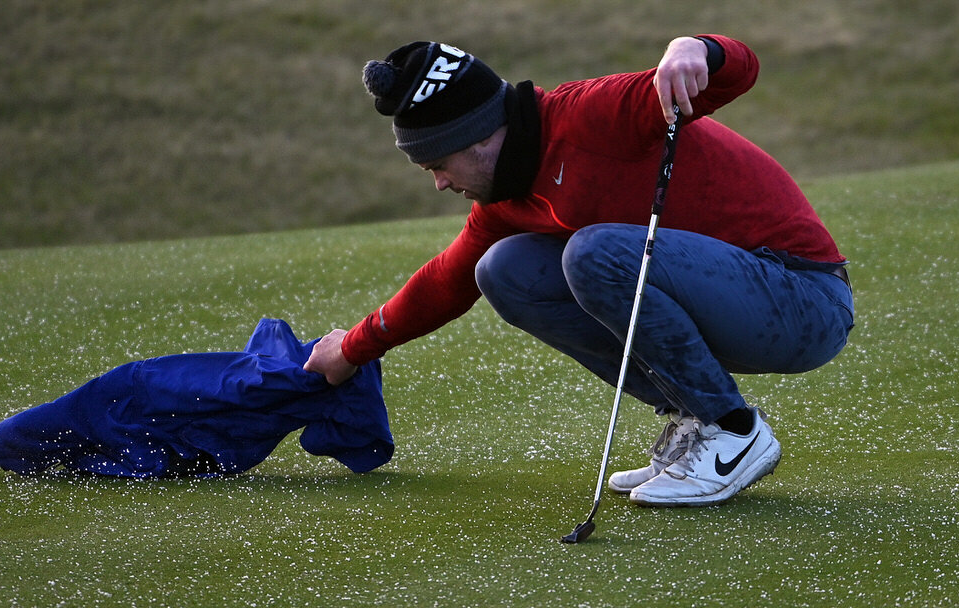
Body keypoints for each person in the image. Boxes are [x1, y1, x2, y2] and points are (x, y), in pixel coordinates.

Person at [304, 35, 854, 506]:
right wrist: (353, 348)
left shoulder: (590, 114)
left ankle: (733, 434)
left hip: (802, 300)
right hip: (736, 307)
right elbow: (447, 281)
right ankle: (697, 420)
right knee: (503, 269)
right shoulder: (507, 199)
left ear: (476, 138)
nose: (440, 184)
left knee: (593, 253)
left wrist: (699, 49)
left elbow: (738, 70)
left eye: (438, 165)